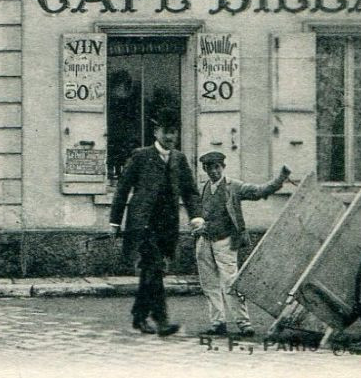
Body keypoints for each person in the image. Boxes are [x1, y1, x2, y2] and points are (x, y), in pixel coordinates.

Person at [109, 117, 203, 337]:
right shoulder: (141, 156)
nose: (170, 136)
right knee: (154, 268)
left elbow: (190, 191)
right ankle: (161, 321)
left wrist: (196, 216)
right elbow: (122, 189)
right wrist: (115, 221)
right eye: (165, 131)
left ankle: (139, 316)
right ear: (156, 132)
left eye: (174, 132)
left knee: (151, 272)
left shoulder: (179, 159)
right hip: (143, 226)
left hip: (166, 227)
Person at [195, 151, 291, 337]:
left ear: (223, 167)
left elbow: (259, 192)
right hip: (204, 241)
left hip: (225, 241)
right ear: (204, 169)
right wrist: (198, 225)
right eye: (209, 168)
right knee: (209, 285)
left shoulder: (234, 187)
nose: (214, 171)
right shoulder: (203, 188)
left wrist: (280, 179)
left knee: (231, 283)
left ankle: (244, 323)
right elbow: (198, 213)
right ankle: (217, 323)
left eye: (217, 167)